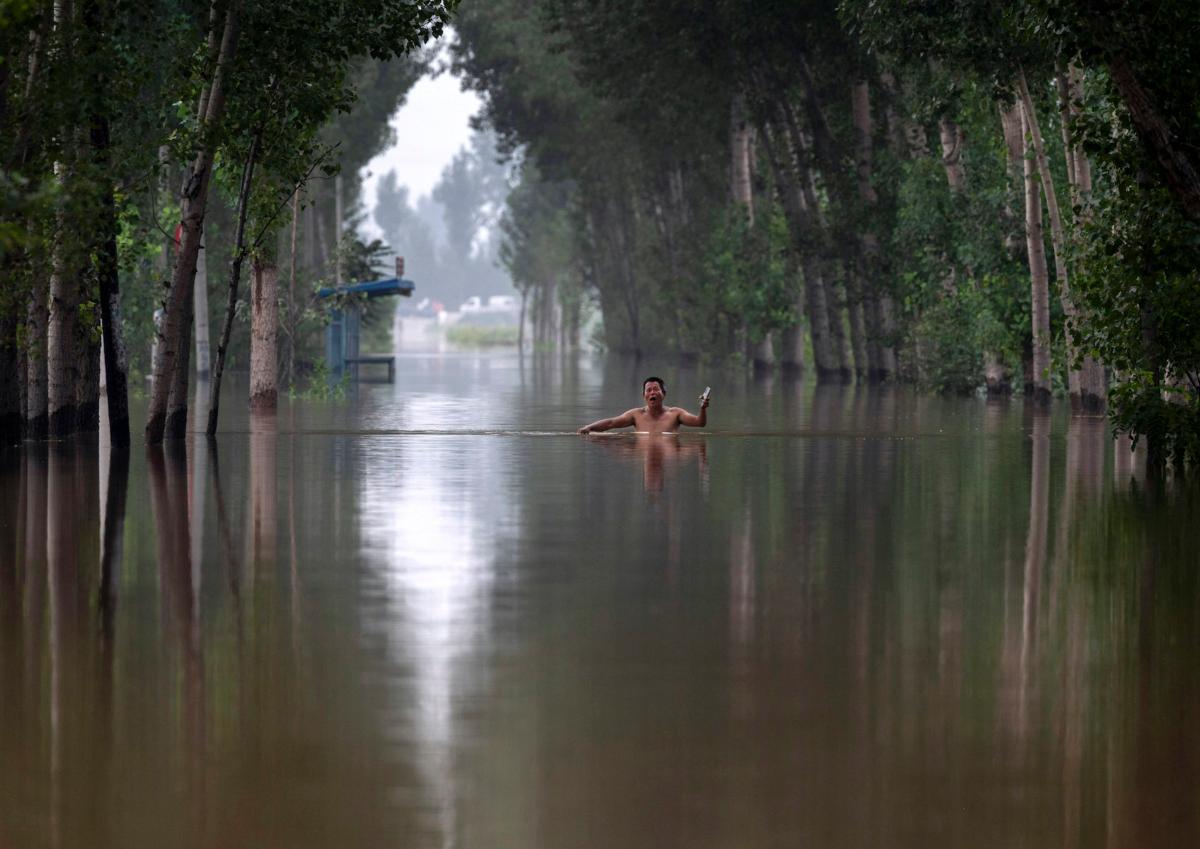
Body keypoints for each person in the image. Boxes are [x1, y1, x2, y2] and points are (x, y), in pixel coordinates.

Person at [577, 376, 709, 435]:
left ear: (663, 393)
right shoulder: (636, 415)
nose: (652, 392)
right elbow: (611, 423)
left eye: (656, 389)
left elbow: (699, 423)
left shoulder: (676, 414)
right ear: (644, 395)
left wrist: (702, 409)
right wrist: (589, 428)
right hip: (642, 448)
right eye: (649, 390)